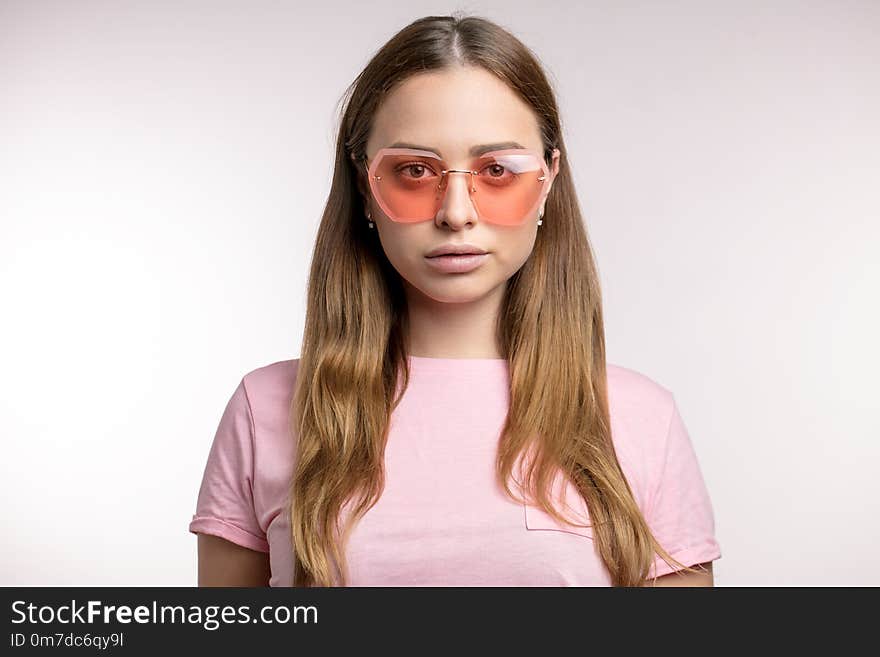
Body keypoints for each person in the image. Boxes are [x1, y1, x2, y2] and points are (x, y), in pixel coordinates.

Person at [188, 13, 721, 587]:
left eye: (497, 170)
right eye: (415, 170)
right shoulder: (264, 409)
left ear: (548, 180)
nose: (456, 212)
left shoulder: (640, 418)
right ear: (364, 187)